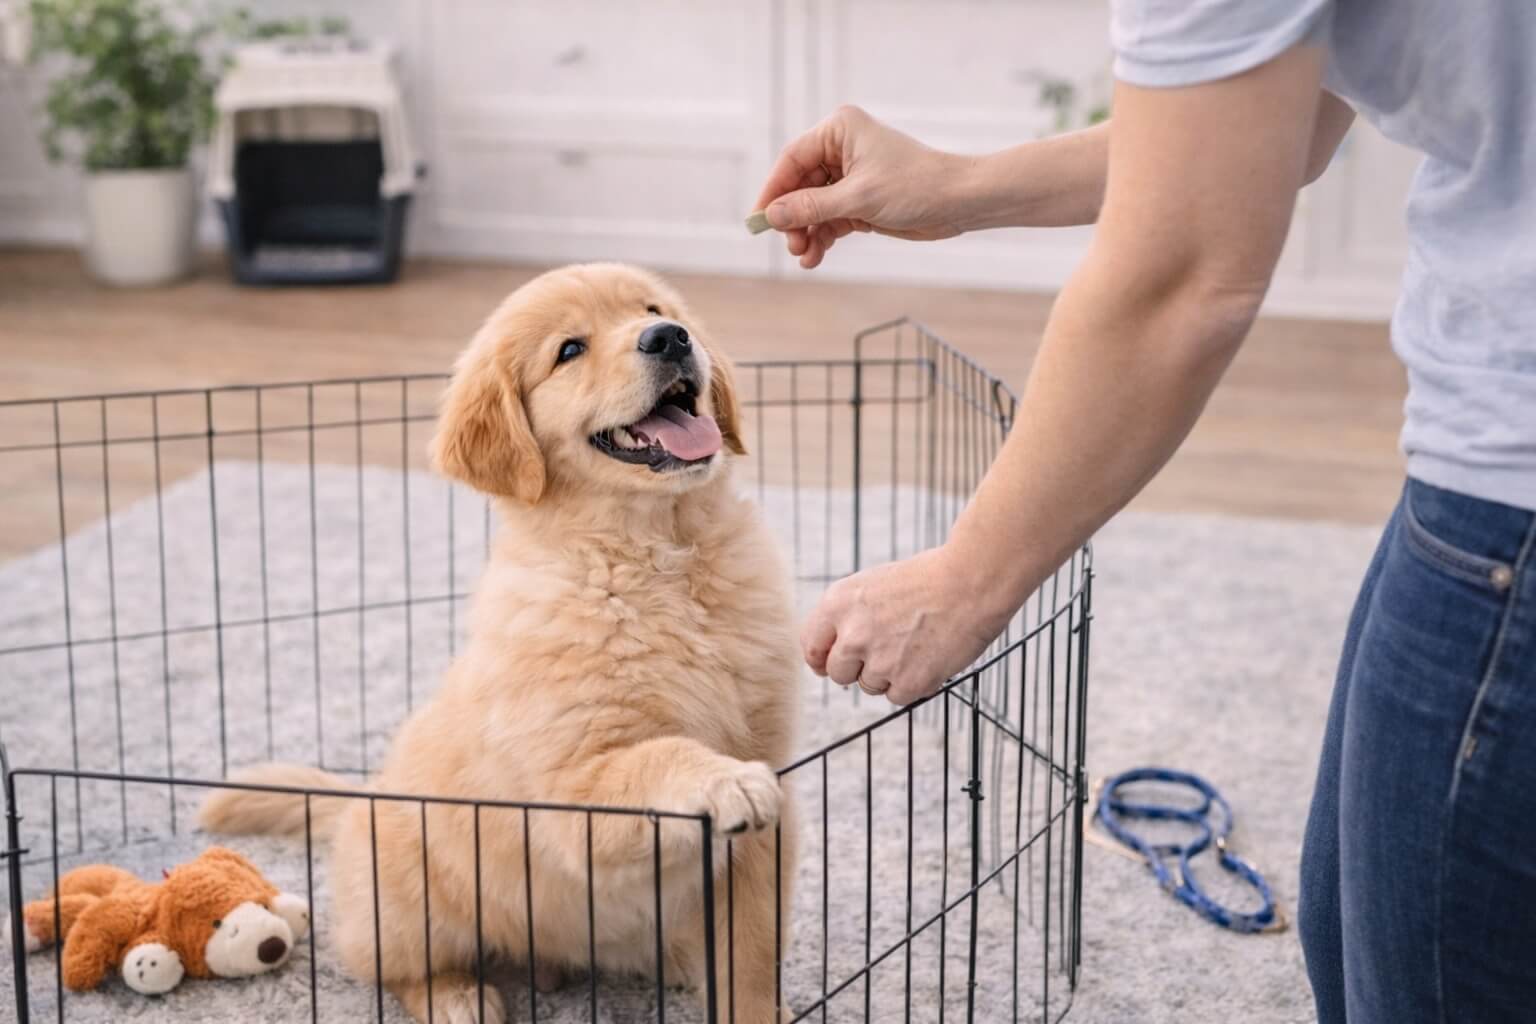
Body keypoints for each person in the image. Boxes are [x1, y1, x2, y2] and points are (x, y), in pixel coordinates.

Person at [751, 4, 1536, 1023]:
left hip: (1511, 473)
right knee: (1352, 906)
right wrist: (952, 189)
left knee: (1422, 971)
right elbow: (1283, 127)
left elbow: (1182, 276)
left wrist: (966, 578)